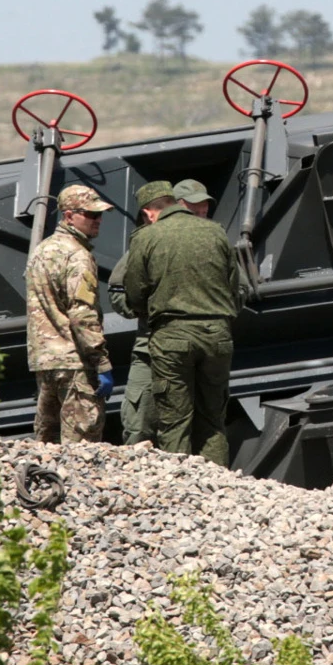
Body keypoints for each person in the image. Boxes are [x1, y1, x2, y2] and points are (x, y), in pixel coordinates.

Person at [123, 178, 242, 465]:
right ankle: (220, 488)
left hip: (172, 337)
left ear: (150, 212)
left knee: (175, 421)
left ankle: (183, 491)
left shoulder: (146, 237)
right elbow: (234, 287)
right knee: (213, 418)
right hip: (217, 334)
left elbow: (134, 292)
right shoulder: (216, 232)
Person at [25, 183, 115, 444]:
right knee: (81, 450)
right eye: (90, 214)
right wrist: (101, 361)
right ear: (68, 216)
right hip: (75, 362)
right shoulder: (78, 255)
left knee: (46, 446)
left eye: (99, 215)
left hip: (46, 362)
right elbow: (81, 314)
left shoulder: (41, 251)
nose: (97, 220)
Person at [108, 180, 179, 445]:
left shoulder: (198, 237)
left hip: (186, 347)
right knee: (139, 426)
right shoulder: (142, 244)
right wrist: (144, 310)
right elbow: (117, 291)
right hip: (149, 347)